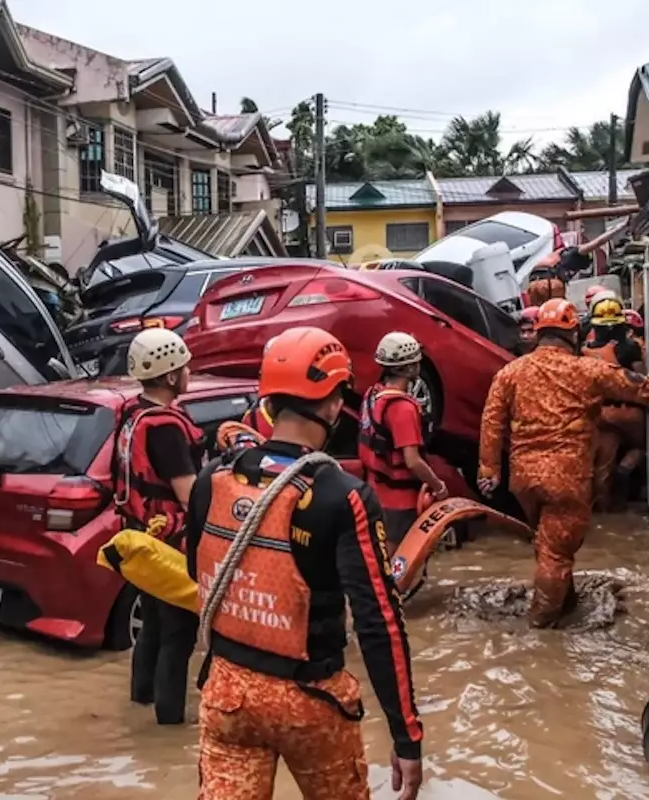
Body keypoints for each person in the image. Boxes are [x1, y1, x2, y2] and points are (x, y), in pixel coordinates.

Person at [186, 326, 423, 800]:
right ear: (335, 404)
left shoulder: (214, 478)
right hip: (310, 700)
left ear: (269, 400)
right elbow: (380, 622)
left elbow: (199, 570)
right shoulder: (341, 496)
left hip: (227, 694)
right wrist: (406, 737)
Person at [476, 299, 649, 628]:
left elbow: (491, 422)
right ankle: (540, 634)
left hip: (524, 479)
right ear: (573, 333)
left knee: (547, 545)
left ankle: (563, 604)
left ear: (539, 334)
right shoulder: (588, 370)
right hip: (567, 477)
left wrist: (489, 470)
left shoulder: (509, 373)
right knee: (556, 553)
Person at [113, 327, 204, 725]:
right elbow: (188, 494)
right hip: (170, 541)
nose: (189, 373)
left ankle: (141, 699)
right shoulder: (166, 428)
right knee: (178, 633)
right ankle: (168, 724)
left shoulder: (134, 412)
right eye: (184, 368)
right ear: (170, 376)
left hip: (140, 536)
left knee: (151, 622)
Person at [359, 332, 447, 549]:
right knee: (401, 562)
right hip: (399, 503)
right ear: (407, 368)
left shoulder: (372, 395)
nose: (419, 364)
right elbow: (412, 461)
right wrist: (438, 486)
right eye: (416, 360)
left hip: (374, 493)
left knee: (383, 559)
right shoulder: (403, 408)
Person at [583, 296, 647, 510]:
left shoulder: (586, 350)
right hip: (631, 413)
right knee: (640, 447)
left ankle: (605, 513)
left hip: (603, 414)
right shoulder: (631, 348)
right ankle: (627, 467)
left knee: (602, 468)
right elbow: (642, 383)